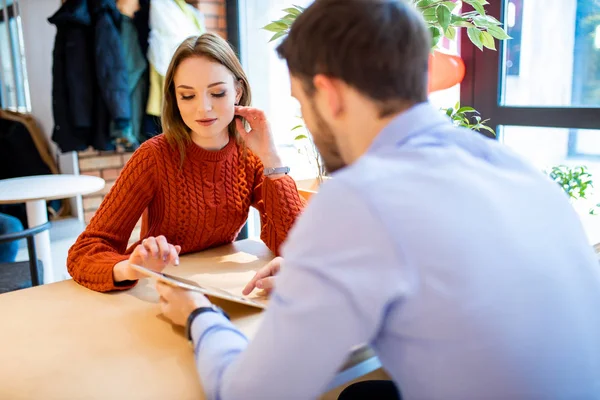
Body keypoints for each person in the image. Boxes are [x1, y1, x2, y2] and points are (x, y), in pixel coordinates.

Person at [156, 1, 600, 399]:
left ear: (328, 95)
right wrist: (317, 269)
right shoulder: (514, 167)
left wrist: (198, 313)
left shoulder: (360, 199)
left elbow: (247, 393)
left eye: (301, 102)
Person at [68, 33, 305, 293]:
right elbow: (85, 251)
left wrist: (272, 159)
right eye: (187, 96)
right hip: (157, 289)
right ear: (175, 99)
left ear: (237, 91)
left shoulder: (250, 156)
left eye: (217, 93)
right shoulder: (153, 157)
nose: (203, 108)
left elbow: (297, 245)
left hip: (221, 289)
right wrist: (130, 267)